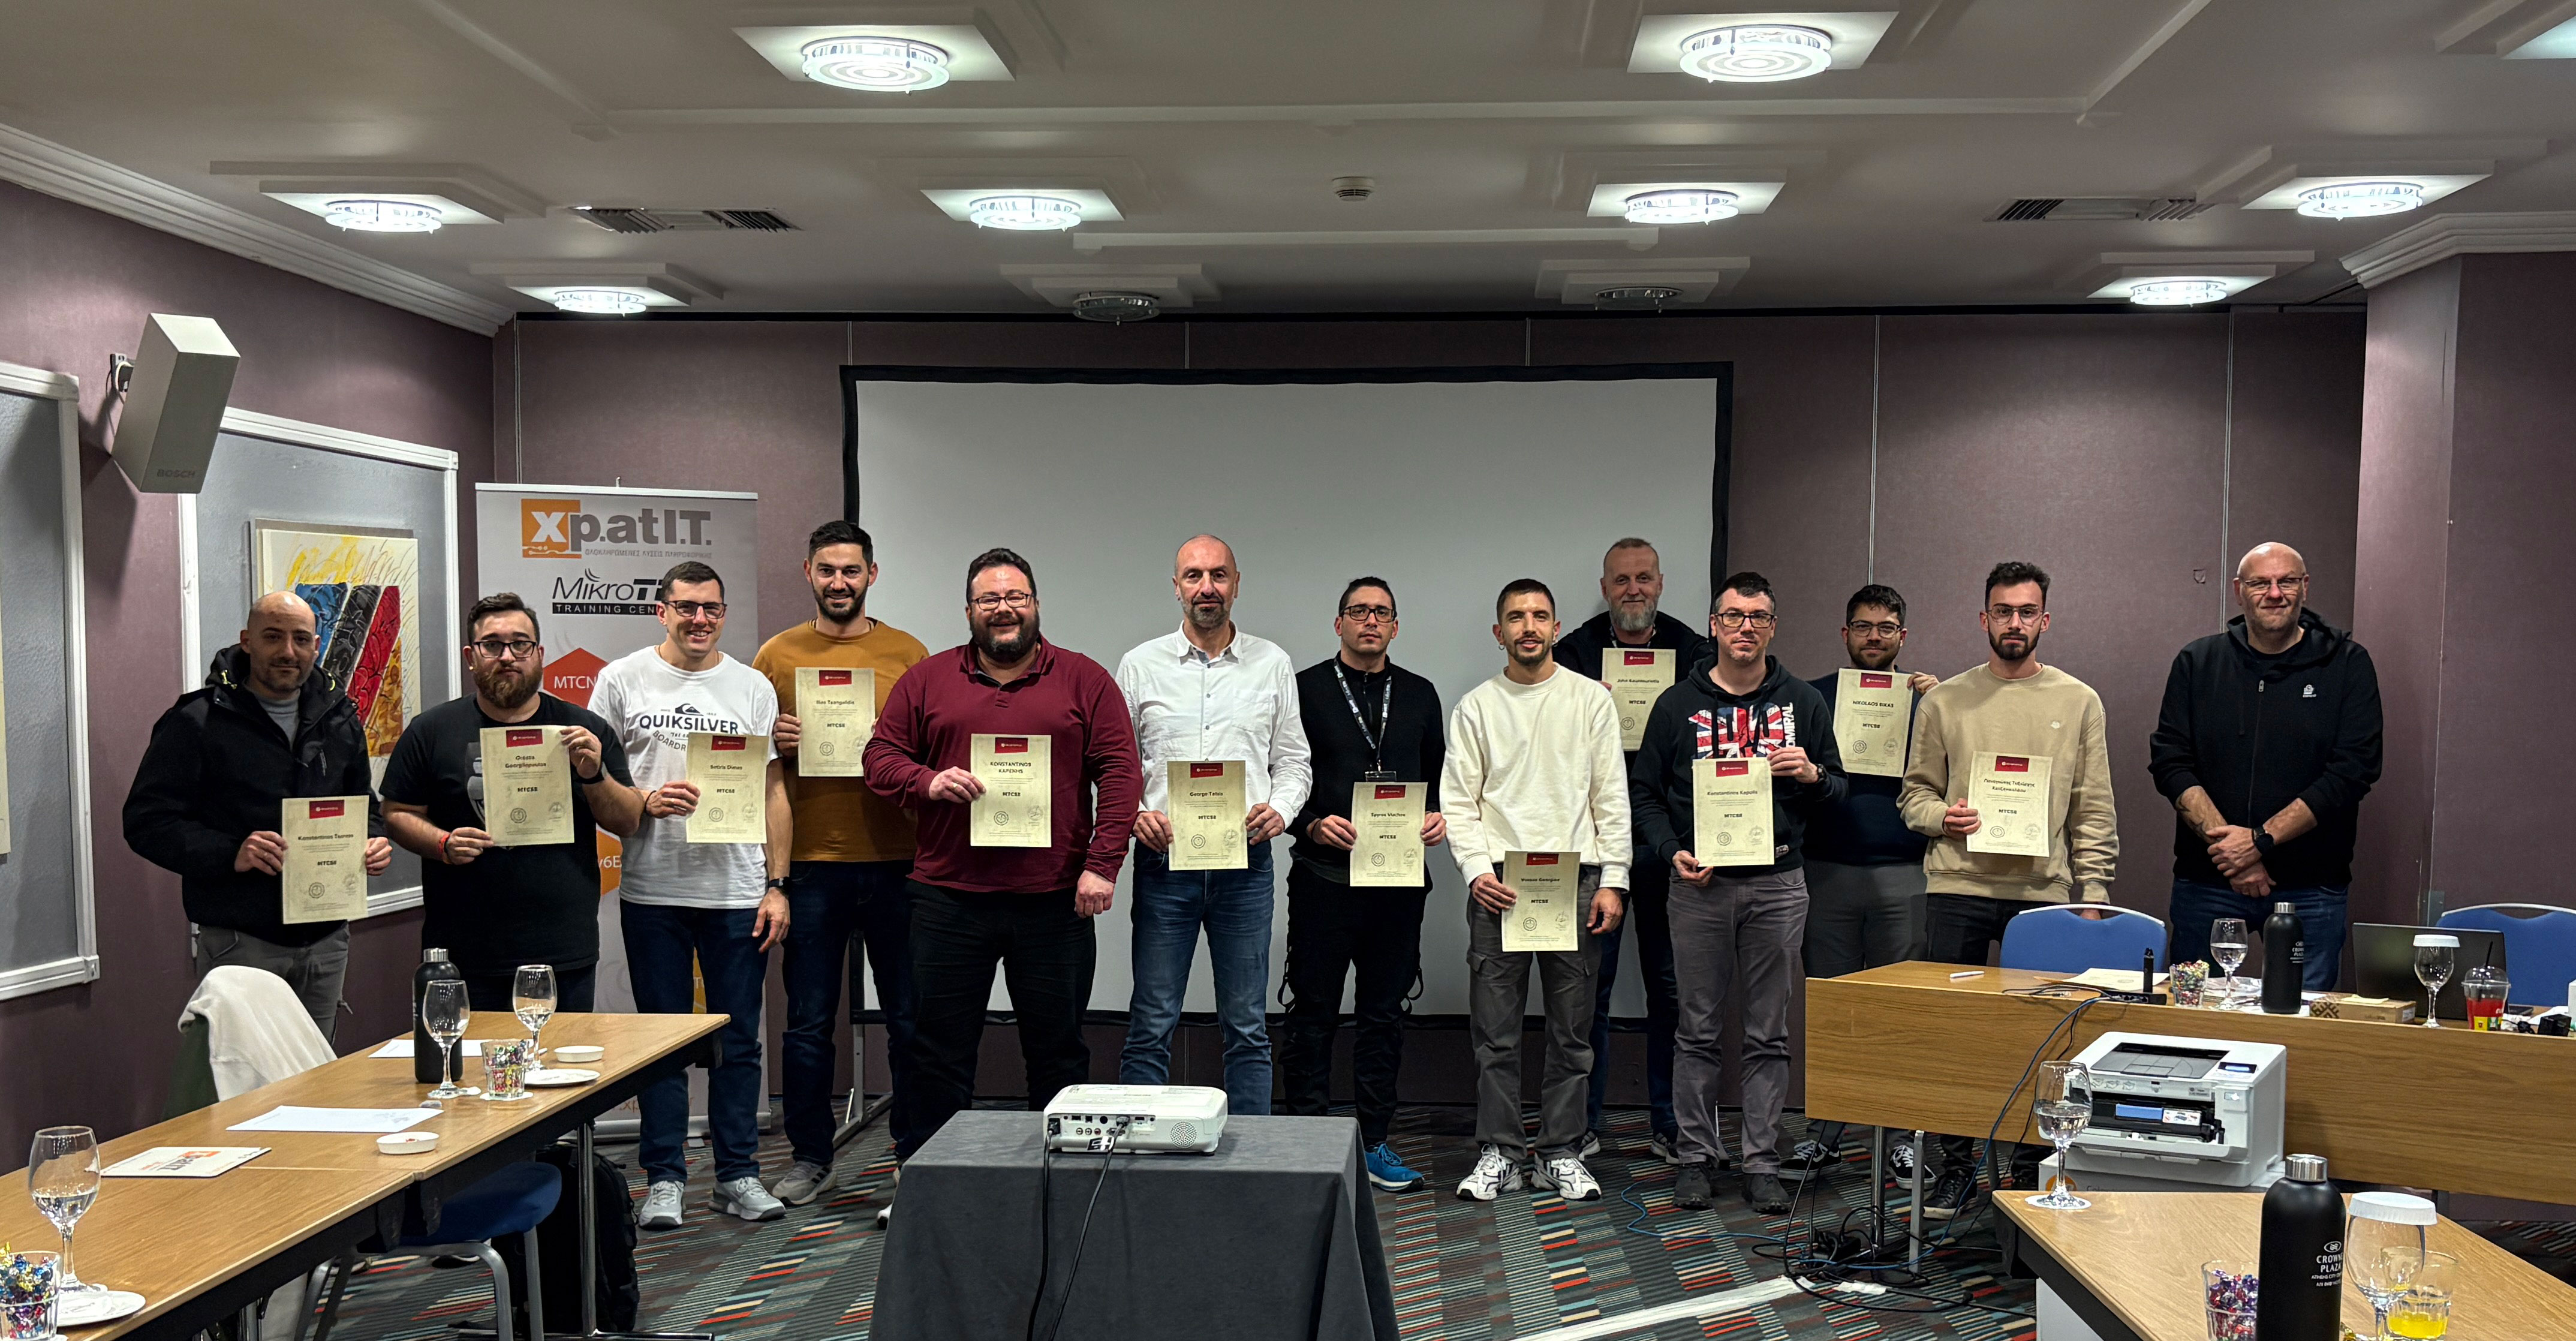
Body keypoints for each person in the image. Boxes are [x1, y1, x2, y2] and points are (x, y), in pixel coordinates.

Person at [863, 548, 1141, 1164]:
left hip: (1055, 900)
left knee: (1059, 1051)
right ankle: (930, 1176)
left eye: (1016, 597)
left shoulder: (1085, 679)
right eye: (989, 599)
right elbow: (879, 758)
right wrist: (928, 781)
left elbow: (1122, 773)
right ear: (969, 610)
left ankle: (1061, 1181)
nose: (1004, 608)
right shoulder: (928, 679)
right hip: (948, 899)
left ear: (1036, 604)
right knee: (937, 1052)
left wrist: (1102, 865)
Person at [1898, 560, 2118, 1220]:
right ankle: (1956, 1168)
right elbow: (1914, 795)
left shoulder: (2078, 701)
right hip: (1958, 886)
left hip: (2045, 893)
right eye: (2003, 611)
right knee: (1953, 1035)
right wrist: (1944, 818)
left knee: (2044, 1039)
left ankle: (2030, 1165)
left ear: (2044, 620)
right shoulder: (1945, 701)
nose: (2014, 622)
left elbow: (2093, 807)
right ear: (1984, 618)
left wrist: (2093, 890)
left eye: (2026, 612)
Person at [1630, 572, 1844, 1214]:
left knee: (1768, 1033)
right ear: (1714, 625)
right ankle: (1696, 1157)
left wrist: (1812, 773)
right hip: (1700, 886)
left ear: (1772, 627)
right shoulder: (1676, 705)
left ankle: (1760, 1161)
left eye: (1757, 617)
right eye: (1732, 616)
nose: (1744, 627)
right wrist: (1671, 851)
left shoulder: (1803, 702)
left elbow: (1839, 790)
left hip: (1778, 885)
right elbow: (1644, 793)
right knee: (1695, 1028)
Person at [590, 562, 792, 1229]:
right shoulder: (620, 680)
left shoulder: (752, 686)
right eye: (687, 607)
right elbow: (598, 786)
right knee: (662, 1043)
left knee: (740, 1043)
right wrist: (645, 799)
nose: (700, 619)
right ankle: (666, 1178)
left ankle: (737, 1174)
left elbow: (772, 792)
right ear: (663, 611)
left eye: (712, 608)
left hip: (737, 892)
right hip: (654, 891)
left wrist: (777, 885)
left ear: (723, 613)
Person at [752, 521, 932, 1207]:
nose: (838, 582)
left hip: (898, 862)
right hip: (811, 866)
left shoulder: (908, 654)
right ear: (808, 572)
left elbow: (932, 750)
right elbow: (754, 761)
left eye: (851, 570)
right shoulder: (775, 655)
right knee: (808, 1023)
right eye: (826, 570)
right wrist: (773, 738)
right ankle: (811, 1156)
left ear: (871, 575)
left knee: (909, 1021)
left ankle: (913, 1154)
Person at [126, 592, 393, 1041]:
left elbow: (364, 805)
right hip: (242, 941)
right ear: (247, 642)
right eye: (273, 637)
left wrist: (372, 840)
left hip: (326, 940)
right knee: (244, 1076)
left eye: (301, 639)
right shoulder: (198, 720)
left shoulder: (339, 717)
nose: (288, 651)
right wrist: (231, 852)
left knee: (318, 1074)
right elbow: (146, 822)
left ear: (316, 646)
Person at [1444, 579, 1629, 1204]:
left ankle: (1560, 1152)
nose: (1529, 626)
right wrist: (1476, 871)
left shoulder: (1590, 701)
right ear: (1499, 632)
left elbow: (1611, 796)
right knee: (1495, 1034)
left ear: (1556, 628)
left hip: (1575, 882)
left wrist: (1615, 880)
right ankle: (1500, 1152)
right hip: (1499, 884)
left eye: (1540, 616)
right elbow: (1459, 802)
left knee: (1571, 1033)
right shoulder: (1476, 707)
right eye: (1517, 617)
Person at [1116, 536, 1311, 1115]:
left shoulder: (1272, 663)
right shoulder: (1140, 665)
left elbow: (1293, 761)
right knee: (1151, 1021)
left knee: (1247, 1024)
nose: (1207, 588)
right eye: (1194, 576)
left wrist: (1282, 809)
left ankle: (1252, 1156)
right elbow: (1118, 765)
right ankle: (1137, 1153)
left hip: (1245, 865)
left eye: (1219, 575)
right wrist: (1135, 813)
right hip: (1164, 863)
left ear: (1236, 584)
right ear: (1176, 586)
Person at [380, 593, 643, 1012]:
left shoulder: (584, 728)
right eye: (492, 645)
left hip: (562, 951)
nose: (507, 656)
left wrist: (594, 774)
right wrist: (442, 843)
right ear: (471, 657)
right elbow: (397, 814)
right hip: (463, 954)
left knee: (562, 1057)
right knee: (463, 1056)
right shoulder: (431, 731)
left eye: (521, 644)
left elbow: (627, 821)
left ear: (539, 654)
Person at [2150, 542, 2382, 990]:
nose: (2274, 593)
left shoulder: (2347, 665)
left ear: (2305, 587)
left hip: (2311, 889)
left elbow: (2354, 770)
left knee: (2302, 1018)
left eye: (2287, 581)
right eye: (2260, 583)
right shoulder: (2198, 663)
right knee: (2198, 1017)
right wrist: (2234, 855)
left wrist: (2260, 841)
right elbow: (2170, 761)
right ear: (2239, 591)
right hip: (2209, 883)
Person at [1281, 578, 1448, 1192]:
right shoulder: (1304, 690)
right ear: (1339, 623)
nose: (1370, 621)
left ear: (1395, 626)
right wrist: (1309, 823)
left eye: (1381, 613)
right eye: (1358, 611)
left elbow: (1439, 779)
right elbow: (1282, 775)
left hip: (1397, 887)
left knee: (1383, 1017)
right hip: (1324, 880)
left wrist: (1438, 817)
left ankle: (1375, 1140)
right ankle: (1308, 1140)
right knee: (1313, 1014)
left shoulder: (1421, 694)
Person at [1552, 538, 1708, 1164]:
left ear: (1661, 583)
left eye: (1644, 578)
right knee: (1588, 989)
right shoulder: (1573, 653)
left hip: (1670, 843)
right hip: (1596, 843)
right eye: (1622, 580)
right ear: (1605, 587)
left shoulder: (1694, 651)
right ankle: (1582, 1123)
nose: (1634, 589)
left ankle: (1669, 1121)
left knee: (1670, 990)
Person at [1786, 584, 1939, 1184]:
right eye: (1863, 626)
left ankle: (1901, 1138)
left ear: (1903, 636)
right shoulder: (1812, 698)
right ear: (1844, 633)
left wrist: (1940, 702)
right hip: (1826, 871)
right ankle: (1824, 1134)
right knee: (1833, 1011)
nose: (1874, 637)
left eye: (1886, 627)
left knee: (1901, 1012)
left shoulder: (1928, 701)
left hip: (1907, 873)